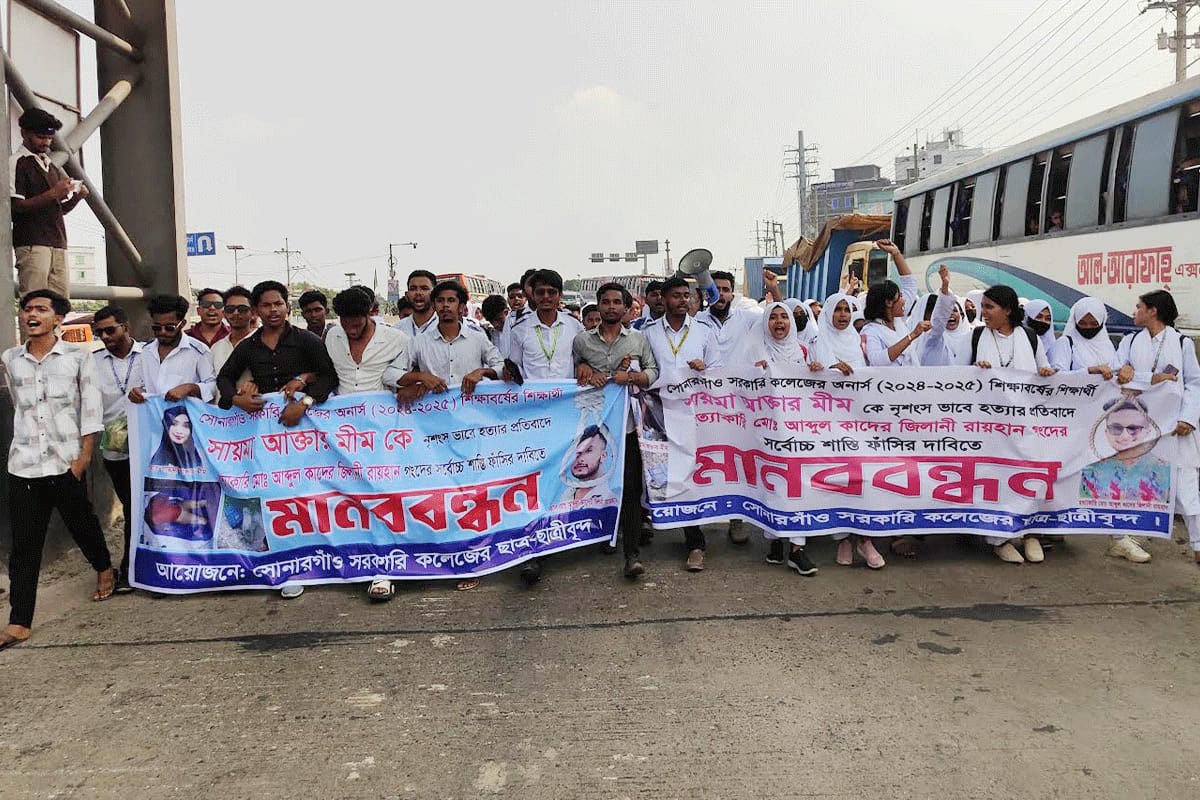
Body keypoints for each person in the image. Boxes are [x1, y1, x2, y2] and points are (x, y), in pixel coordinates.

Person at [2, 290, 114, 651]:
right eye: (27, 309)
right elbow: (20, 406)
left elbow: (91, 410)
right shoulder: (11, 359)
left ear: (58, 318)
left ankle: (104, 568)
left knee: (82, 524)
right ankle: (19, 621)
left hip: (65, 461)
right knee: (24, 546)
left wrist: (82, 459)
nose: (31, 314)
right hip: (24, 464)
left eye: (41, 309)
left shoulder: (78, 358)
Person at [216, 280, 339, 597]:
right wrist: (236, 399)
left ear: (287, 306)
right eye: (266, 305)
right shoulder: (249, 346)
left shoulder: (306, 340)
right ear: (257, 311)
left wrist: (304, 403)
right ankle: (284, 563)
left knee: (306, 492)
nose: (273, 310)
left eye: (278, 304)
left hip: (305, 430)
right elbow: (224, 378)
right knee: (272, 495)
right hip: (265, 435)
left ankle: (314, 558)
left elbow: (328, 376)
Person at [952, 284, 1056, 563]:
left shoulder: (1030, 337)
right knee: (995, 478)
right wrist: (975, 372)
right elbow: (955, 377)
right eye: (982, 307)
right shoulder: (975, 337)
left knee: (1028, 476)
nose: (983, 312)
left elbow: (1044, 370)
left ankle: (1029, 533)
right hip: (989, 427)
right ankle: (999, 539)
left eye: (989, 307)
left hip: (1025, 424)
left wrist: (1046, 372)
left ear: (1007, 310)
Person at [325, 286, 412, 601]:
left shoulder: (397, 340)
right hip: (341, 435)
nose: (350, 327)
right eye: (345, 320)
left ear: (370, 313)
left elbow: (404, 377)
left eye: (357, 321)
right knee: (348, 500)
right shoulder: (332, 337)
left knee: (382, 498)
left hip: (383, 434)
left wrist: (409, 385)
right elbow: (328, 378)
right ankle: (353, 561)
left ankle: (384, 568)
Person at [574, 282, 659, 579]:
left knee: (631, 490)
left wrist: (632, 377)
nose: (611, 307)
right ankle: (602, 535)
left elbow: (653, 372)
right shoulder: (582, 341)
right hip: (591, 429)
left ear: (626, 308)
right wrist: (582, 368)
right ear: (598, 306)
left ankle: (632, 554)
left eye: (616, 302)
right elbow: (572, 375)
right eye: (606, 302)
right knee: (595, 485)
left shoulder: (637, 339)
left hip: (628, 428)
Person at [504, 269, 584, 584]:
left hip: (566, 413)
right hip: (533, 417)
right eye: (541, 292)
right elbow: (512, 369)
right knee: (535, 479)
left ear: (560, 295)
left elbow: (582, 360)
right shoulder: (519, 329)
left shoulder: (574, 326)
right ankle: (533, 550)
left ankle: (564, 533)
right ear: (532, 295)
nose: (547, 297)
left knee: (564, 475)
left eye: (552, 292)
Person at [1115, 289, 1200, 565]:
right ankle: (1125, 540)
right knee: (1135, 485)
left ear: (1152, 311)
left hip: (1176, 428)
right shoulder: (1129, 342)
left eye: (1139, 306)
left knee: (1186, 489)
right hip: (1140, 427)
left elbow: (1194, 383)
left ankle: (1198, 543)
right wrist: (1148, 378)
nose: (1134, 311)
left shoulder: (1182, 343)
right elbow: (1117, 378)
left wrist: (1188, 418)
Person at [643, 276, 715, 572]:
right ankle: (646, 527)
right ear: (663, 299)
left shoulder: (703, 332)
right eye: (677, 295)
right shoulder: (648, 333)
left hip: (694, 413)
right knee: (657, 473)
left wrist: (704, 369)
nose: (683, 300)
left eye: (687, 295)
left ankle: (695, 543)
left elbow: (718, 371)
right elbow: (643, 369)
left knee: (690, 474)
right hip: (658, 413)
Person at [750, 302, 820, 576]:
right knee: (774, 483)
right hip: (768, 433)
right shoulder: (755, 351)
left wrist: (817, 371)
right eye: (773, 317)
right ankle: (777, 540)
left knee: (797, 484)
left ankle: (796, 548)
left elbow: (814, 388)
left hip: (798, 432)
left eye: (784, 317)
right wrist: (756, 371)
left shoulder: (802, 351)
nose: (779, 322)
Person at [91, 305, 144, 590]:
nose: (104, 337)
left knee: (155, 505)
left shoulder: (149, 355)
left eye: (110, 330)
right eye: (98, 332)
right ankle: (132, 568)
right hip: (115, 449)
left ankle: (141, 566)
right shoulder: (93, 362)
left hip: (150, 446)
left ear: (126, 327)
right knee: (132, 506)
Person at [9, 109, 89, 297]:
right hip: (32, 242)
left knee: (60, 302)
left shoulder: (50, 165)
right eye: (41, 137)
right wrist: (53, 193)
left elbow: (57, 210)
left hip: (57, 242)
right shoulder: (17, 162)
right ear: (24, 133)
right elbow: (16, 206)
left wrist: (76, 198)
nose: (46, 142)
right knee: (34, 300)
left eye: (49, 138)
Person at [1080, 396, 1170, 507]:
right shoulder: (1090, 472)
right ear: (1106, 432)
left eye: (1133, 428)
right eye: (1116, 428)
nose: (1125, 436)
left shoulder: (1165, 470)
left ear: (1147, 432)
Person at [130, 294, 217, 406]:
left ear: (182, 324)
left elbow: (212, 386)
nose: (162, 332)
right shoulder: (146, 351)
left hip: (186, 415)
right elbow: (143, 384)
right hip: (153, 413)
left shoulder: (199, 351)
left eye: (169, 328)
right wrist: (138, 392)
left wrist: (189, 388)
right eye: (157, 328)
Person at [209, 285, 257, 377]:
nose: (236, 313)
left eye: (242, 309)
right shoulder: (216, 348)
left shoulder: (263, 342)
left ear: (253, 312)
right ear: (224, 313)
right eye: (230, 309)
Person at [395, 269, 438, 338]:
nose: (418, 293)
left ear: (435, 294)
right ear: (407, 295)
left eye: (424, 288)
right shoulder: (397, 329)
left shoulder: (445, 327)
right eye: (413, 289)